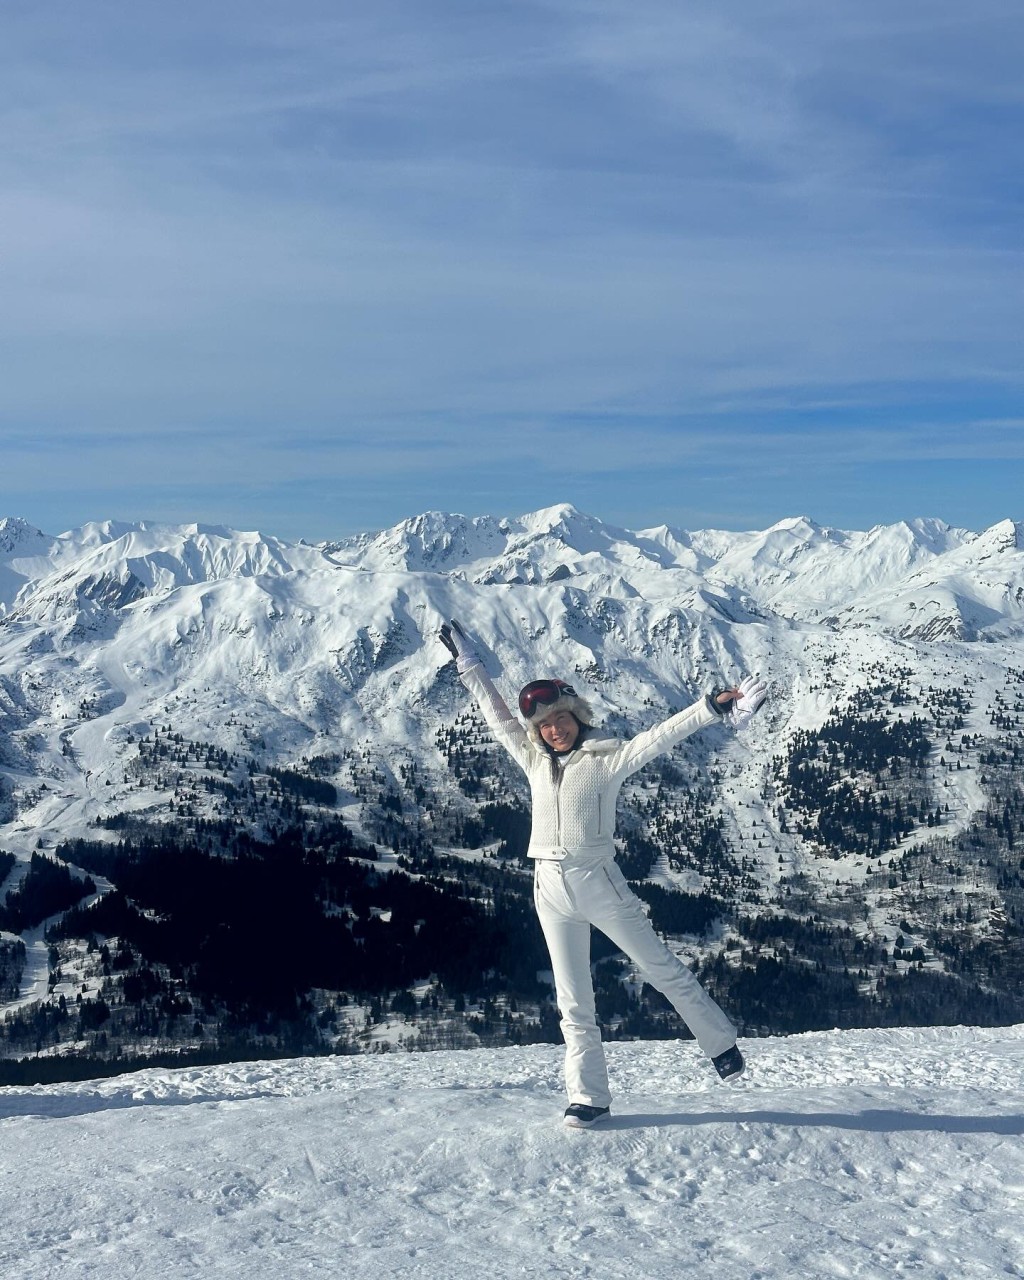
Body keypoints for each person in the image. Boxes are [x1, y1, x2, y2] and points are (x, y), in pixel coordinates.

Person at [439, 618, 766, 1129]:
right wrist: (469, 666)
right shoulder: (532, 761)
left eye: (562, 718)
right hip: (548, 887)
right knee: (573, 1002)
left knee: (659, 969)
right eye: (546, 724)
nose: (555, 728)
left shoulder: (605, 760)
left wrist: (711, 708)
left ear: (577, 717)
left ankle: (721, 1044)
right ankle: (588, 1097)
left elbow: (657, 738)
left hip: (598, 882)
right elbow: (497, 714)